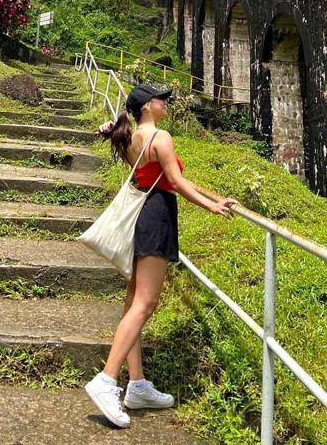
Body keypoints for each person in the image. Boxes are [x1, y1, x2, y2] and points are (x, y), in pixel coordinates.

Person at [84, 83, 238, 429]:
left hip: (142, 215)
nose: (166, 103)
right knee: (145, 304)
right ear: (147, 107)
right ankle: (107, 380)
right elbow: (177, 183)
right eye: (161, 99)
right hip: (157, 218)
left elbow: (169, 179)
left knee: (132, 303)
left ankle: (136, 384)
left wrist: (214, 195)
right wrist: (213, 206)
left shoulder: (131, 138)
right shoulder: (161, 137)